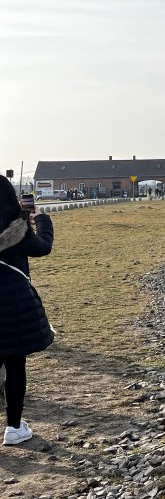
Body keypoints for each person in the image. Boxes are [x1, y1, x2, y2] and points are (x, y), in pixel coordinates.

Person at [0, 176, 55, 445]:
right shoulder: (17, 233)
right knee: (15, 366)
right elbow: (43, 247)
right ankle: (14, 428)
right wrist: (40, 219)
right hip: (13, 308)